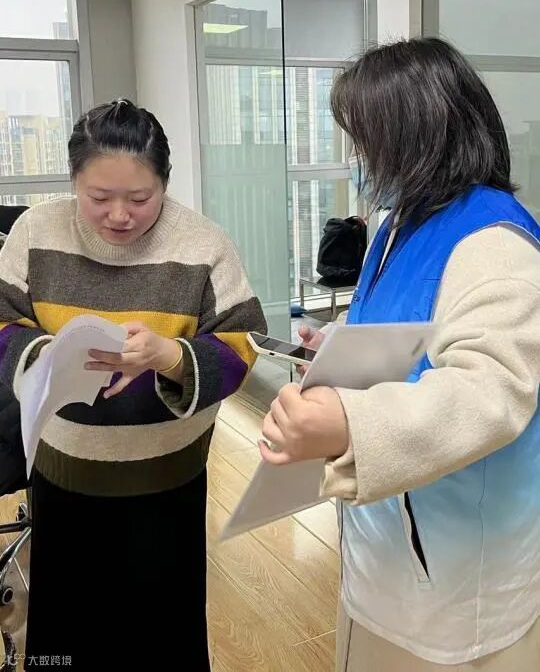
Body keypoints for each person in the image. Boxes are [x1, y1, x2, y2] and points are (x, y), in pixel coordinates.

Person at [260, 38, 540, 670]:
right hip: (383, 540)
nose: (357, 161)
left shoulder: (495, 243)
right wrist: (340, 343)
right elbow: (408, 322)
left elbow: (489, 391)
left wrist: (349, 423)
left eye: (366, 143)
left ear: (418, 136)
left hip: (456, 575)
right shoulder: (399, 223)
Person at [0, 99, 266, 670]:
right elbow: (1, 320)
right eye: (98, 197)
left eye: (141, 199)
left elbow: (243, 345)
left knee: (162, 634)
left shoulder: (203, 244)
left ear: (164, 183)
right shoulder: (35, 232)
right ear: (73, 180)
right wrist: (46, 356)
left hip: (167, 479)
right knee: (66, 637)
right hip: (63, 471)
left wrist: (171, 357)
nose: (119, 215)